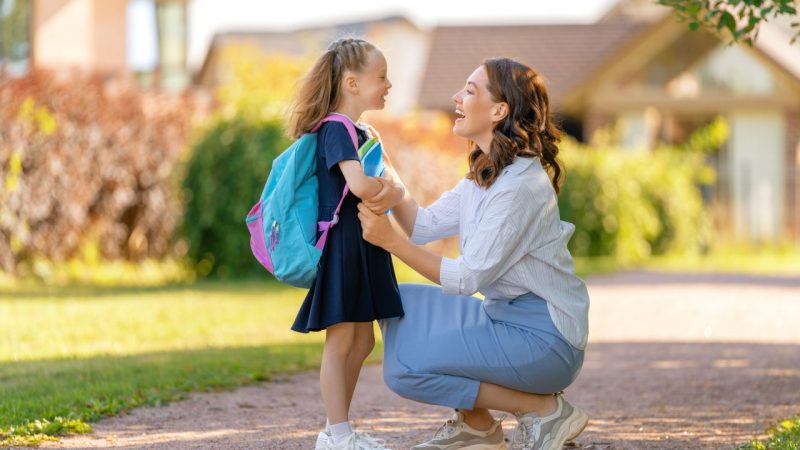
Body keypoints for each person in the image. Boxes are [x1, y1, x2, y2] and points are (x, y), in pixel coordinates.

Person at [358, 57, 590, 450]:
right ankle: (476, 423)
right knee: (399, 303)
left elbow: (466, 279)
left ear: (499, 110)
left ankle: (541, 409)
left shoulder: (520, 187)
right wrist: (389, 174)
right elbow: (423, 226)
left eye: (469, 90)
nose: (456, 98)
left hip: (547, 341)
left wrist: (388, 241)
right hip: (505, 319)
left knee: (405, 372)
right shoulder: (487, 173)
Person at [289, 37, 405, 450]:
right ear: (352, 84)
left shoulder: (360, 130)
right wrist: (386, 191)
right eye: (382, 77)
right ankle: (337, 433)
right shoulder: (336, 127)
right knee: (342, 340)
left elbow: (388, 189)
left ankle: (337, 429)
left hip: (364, 242)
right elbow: (359, 185)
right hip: (344, 244)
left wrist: (387, 191)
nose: (389, 84)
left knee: (363, 340)